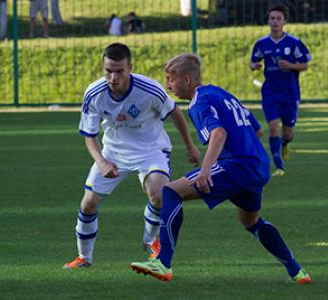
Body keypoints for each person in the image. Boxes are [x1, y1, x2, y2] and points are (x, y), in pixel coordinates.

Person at [130, 53, 311, 285]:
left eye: (170, 78)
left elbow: (219, 133)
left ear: (187, 79)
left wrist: (207, 170)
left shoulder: (199, 101)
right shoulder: (221, 93)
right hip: (258, 165)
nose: (167, 84)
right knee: (252, 221)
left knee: (170, 192)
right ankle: (298, 272)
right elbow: (257, 130)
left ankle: (162, 262)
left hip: (237, 165)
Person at [63, 43, 201, 269]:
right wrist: (102, 162)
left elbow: (175, 112)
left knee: (158, 194)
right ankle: (83, 258)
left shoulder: (150, 89)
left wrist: (189, 145)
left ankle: (150, 241)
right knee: (88, 205)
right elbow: (90, 136)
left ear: (130, 68)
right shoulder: (94, 93)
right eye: (108, 70)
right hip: (113, 152)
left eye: (119, 71)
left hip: (151, 150)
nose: (113, 77)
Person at [250, 4, 311, 176]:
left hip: (290, 93)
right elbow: (253, 61)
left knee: (288, 132)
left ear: (285, 21)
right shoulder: (262, 43)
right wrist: (254, 66)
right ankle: (278, 166)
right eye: (272, 18)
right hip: (270, 91)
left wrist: (290, 65)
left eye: (278, 18)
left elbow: (305, 64)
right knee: (273, 127)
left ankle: (285, 144)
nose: (275, 22)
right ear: (268, 21)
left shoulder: (294, 43)